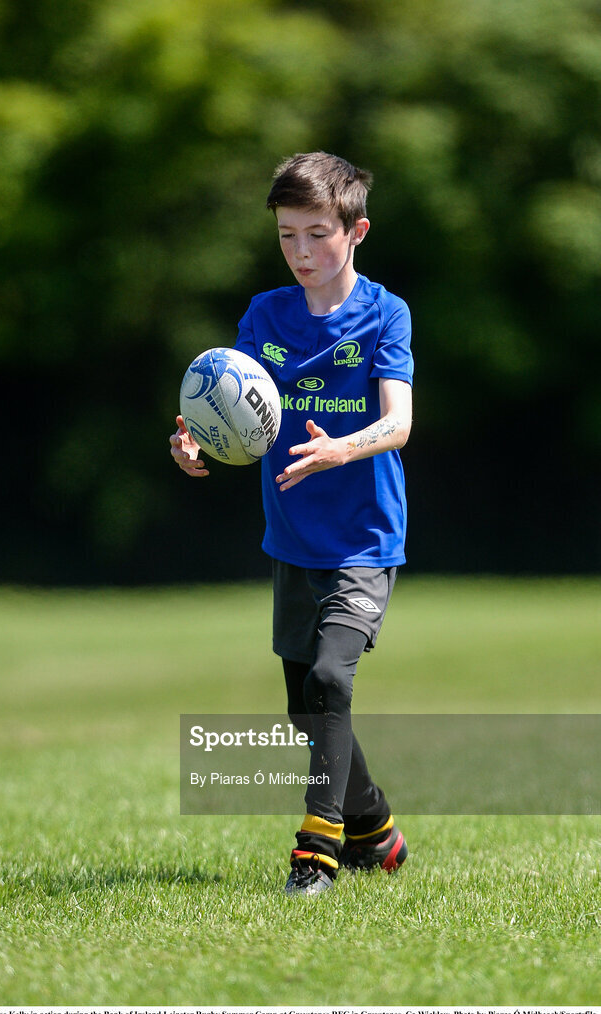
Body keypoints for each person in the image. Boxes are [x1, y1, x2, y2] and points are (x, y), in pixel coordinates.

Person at [169, 151, 413, 895]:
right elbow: (230, 403)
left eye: (316, 234)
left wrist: (343, 446)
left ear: (355, 230)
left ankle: (317, 849)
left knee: (331, 681)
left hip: (363, 539)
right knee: (303, 709)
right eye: (286, 236)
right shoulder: (264, 313)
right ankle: (375, 830)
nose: (301, 252)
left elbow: (398, 423)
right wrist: (190, 437)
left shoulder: (385, 314)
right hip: (291, 540)